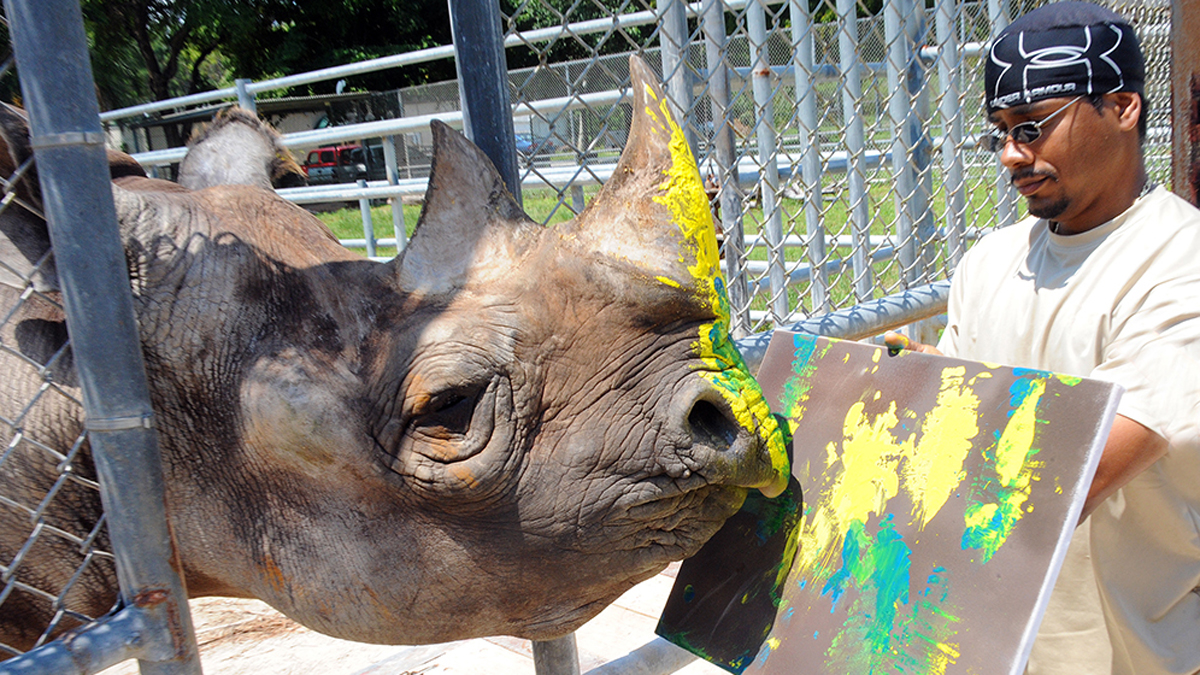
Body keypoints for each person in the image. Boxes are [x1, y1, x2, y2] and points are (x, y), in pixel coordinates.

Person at [886, 3, 1200, 674]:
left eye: (1032, 126)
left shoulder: (1179, 260)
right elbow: (964, 399)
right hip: (988, 649)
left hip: (1131, 656)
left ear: (1122, 108)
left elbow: (1070, 473)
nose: (1010, 154)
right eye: (999, 131)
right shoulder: (991, 261)